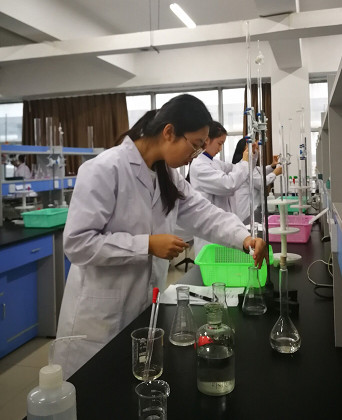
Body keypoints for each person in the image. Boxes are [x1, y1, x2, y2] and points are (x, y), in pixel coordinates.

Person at [54, 95, 267, 378]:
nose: (196, 154)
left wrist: (243, 237)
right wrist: (147, 245)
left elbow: (203, 213)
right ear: (169, 132)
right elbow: (77, 243)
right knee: (93, 390)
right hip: (98, 320)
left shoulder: (166, 174)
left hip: (141, 310)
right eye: (195, 145)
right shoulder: (105, 168)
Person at [189, 121, 253, 256]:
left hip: (221, 226)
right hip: (209, 230)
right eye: (219, 143)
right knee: (212, 266)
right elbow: (229, 184)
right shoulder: (199, 166)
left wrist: (251, 155)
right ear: (207, 140)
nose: (220, 149)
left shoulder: (214, 162)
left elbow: (235, 168)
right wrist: (245, 161)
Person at [232, 138, 282, 222]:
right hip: (247, 208)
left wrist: (272, 166)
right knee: (248, 226)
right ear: (244, 149)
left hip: (253, 205)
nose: (256, 145)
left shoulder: (249, 164)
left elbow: (259, 171)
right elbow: (260, 183)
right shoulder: (244, 165)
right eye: (253, 144)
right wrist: (274, 173)